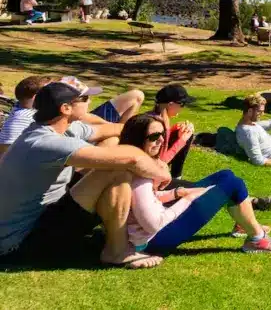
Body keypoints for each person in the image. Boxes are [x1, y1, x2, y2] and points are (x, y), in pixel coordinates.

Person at [0, 80, 170, 268]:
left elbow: (113, 130)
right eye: (84, 99)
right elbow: (131, 159)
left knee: (112, 143)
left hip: (47, 215)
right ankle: (117, 251)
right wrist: (160, 172)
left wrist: (149, 131)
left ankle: (116, 230)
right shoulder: (45, 142)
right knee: (116, 169)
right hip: (20, 243)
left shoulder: (63, 128)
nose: (90, 103)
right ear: (65, 108)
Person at [119, 116, 271, 255]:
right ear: (138, 139)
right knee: (233, 183)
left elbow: (150, 199)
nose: (161, 140)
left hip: (157, 227)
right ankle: (256, 239)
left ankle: (244, 223)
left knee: (225, 175)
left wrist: (178, 192)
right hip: (155, 240)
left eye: (162, 134)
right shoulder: (140, 180)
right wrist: (187, 200)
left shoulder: (138, 167)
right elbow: (153, 224)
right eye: (154, 137)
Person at [0, 76, 143, 151]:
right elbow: (7, 157)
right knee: (113, 142)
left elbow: (91, 123)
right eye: (85, 98)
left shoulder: (59, 121)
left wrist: (126, 131)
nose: (90, 102)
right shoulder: (21, 123)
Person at [144, 84, 196, 180]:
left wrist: (175, 129)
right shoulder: (160, 124)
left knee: (185, 133)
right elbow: (161, 161)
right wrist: (182, 140)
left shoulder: (151, 115)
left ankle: (176, 177)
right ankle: (176, 178)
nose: (182, 108)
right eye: (182, 105)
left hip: (147, 164)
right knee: (186, 137)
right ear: (171, 104)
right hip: (150, 171)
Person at [0, 76, 51, 158]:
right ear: (36, 97)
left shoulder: (23, 108)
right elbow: (6, 149)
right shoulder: (21, 118)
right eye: (49, 94)